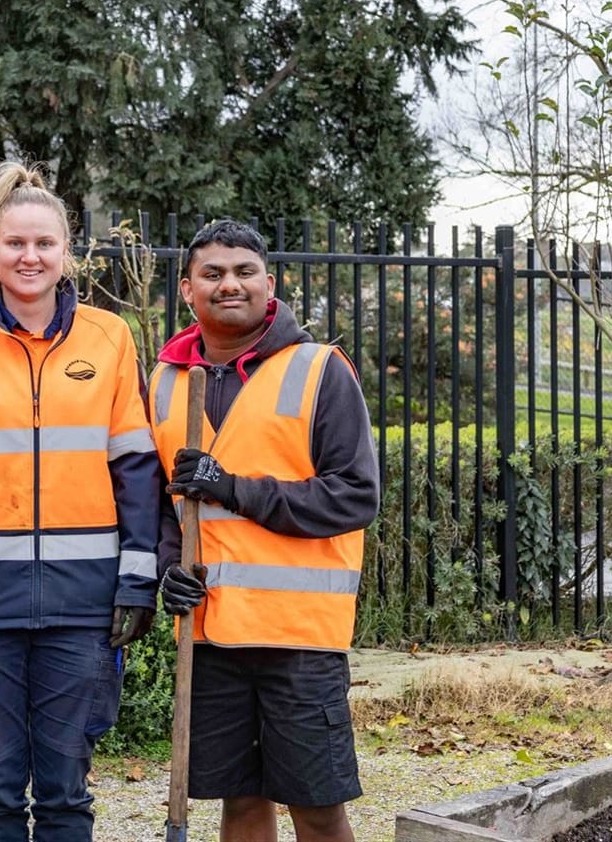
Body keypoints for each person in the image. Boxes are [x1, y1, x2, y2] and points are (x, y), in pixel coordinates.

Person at [0, 163, 163, 841]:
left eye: (44, 244)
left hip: (83, 605)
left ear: (66, 252)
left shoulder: (109, 338)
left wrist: (137, 579)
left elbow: (137, 469)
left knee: (63, 790)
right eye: (16, 243)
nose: (30, 256)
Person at [150, 219, 379, 842]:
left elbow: (355, 496)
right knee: (240, 801)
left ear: (269, 284)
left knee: (317, 806)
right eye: (213, 273)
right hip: (212, 632)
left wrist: (233, 487)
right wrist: (169, 567)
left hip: (298, 636)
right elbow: (167, 504)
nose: (230, 284)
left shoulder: (320, 371)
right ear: (187, 289)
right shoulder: (164, 382)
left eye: (244, 271)